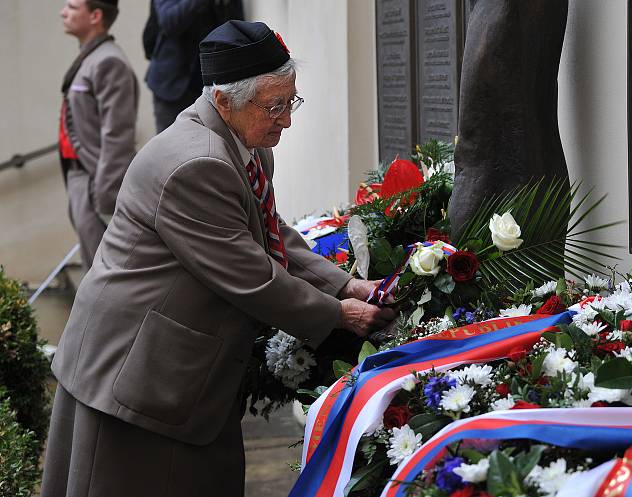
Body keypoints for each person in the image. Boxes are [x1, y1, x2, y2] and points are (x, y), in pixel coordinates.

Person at [41, 20, 394, 497]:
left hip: (179, 371)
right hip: (137, 373)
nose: (286, 119)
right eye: (275, 106)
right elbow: (252, 275)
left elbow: (271, 234)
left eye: (292, 101)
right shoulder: (197, 162)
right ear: (224, 99)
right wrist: (341, 315)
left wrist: (345, 285)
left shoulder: (243, 140)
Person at [59, 0, 139, 269]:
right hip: (80, 178)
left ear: (95, 16)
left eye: (71, 6)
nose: (63, 12)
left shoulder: (109, 61)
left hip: (96, 183)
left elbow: (117, 136)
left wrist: (104, 197)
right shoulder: (91, 57)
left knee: (103, 273)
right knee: (94, 269)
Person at [145, 0, 244, 133]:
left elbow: (237, 29)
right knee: (170, 146)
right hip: (172, 85)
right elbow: (169, 22)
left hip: (212, 86)